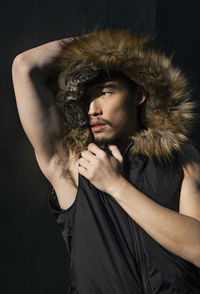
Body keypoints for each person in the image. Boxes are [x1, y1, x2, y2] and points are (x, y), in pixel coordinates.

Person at [12, 28, 200, 293]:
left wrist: (116, 185)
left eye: (105, 92)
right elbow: (25, 67)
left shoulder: (181, 158)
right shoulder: (73, 164)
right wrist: (102, 44)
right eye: (87, 97)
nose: (93, 109)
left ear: (139, 94)